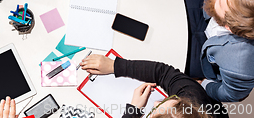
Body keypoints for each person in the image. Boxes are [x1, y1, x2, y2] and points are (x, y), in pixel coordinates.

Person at [184, 0, 254, 102]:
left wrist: (203, 84)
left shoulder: (241, 66)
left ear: (229, 27)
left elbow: (231, 94)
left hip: (204, 56)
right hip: (202, 9)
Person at [80, 54, 228, 118]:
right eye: (175, 98)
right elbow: (163, 73)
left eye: (155, 110)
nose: (157, 102)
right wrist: (115, 66)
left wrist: (132, 112)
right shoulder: (193, 99)